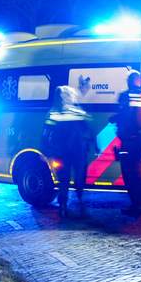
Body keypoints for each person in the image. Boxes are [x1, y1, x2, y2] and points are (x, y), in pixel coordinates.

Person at [43, 85, 93, 217]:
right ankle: (81, 201)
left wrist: (46, 150)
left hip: (60, 152)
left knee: (63, 180)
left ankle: (63, 205)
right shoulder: (77, 111)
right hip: (78, 152)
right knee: (79, 177)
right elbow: (88, 130)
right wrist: (91, 144)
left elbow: (46, 133)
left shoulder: (54, 112)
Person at [114, 70, 141, 215]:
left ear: (129, 82)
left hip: (129, 141)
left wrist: (114, 120)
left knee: (129, 172)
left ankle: (135, 205)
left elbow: (123, 116)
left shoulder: (125, 96)